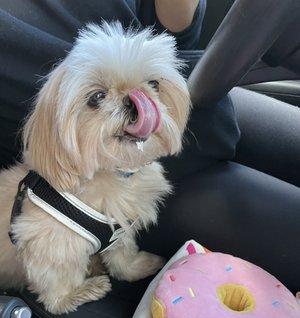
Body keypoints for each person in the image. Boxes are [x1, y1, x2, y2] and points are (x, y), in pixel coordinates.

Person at [0, 0, 299, 300]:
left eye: (152, 85)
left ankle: (120, 263)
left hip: (201, 118)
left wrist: (124, 263)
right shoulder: (56, 207)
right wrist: (65, 293)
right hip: (55, 232)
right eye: (97, 98)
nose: (136, 105)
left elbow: (178, 36)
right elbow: (43, 255)